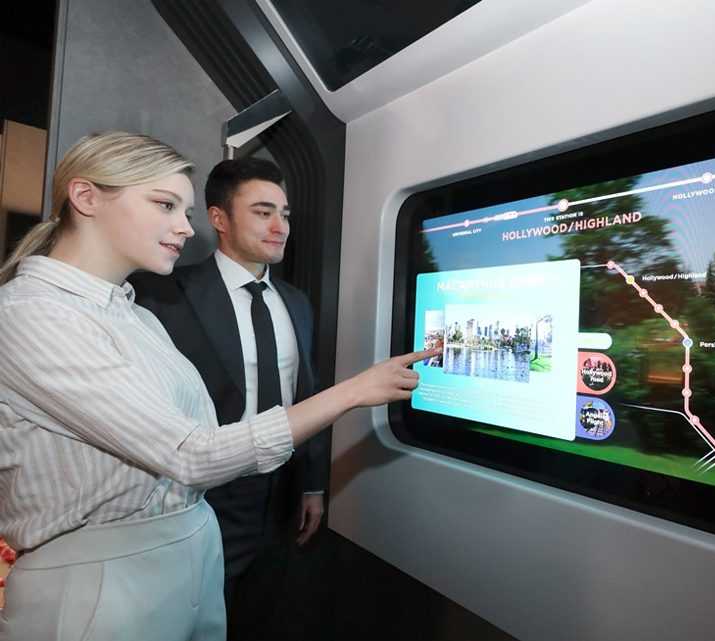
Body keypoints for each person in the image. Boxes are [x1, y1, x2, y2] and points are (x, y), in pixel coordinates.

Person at [0, 132, 435, 641]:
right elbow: (191, 452)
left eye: (184, 211)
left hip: (191, 549)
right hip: (103, 582)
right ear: (86, 197)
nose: (186, 228)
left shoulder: (136, 315)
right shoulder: (32, 315)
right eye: (165, 205)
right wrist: (354, 392)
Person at [130, 158, 325, 640]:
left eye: (285, 214)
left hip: (280, 493)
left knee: (263, 615)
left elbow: (307, 393)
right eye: (263, 212)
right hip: (204, 491)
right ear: (219, 218)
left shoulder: (296, 302)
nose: (280, 227)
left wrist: (313, 485)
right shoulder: (165, 294)